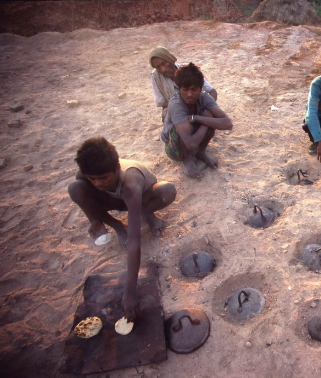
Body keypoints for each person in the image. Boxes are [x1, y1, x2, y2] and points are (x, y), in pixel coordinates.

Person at [68, 137, 177, 321]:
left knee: (168, 190)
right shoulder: (87, 177)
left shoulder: (130, 183)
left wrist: (130, 291)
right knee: (75, 189)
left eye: (103, 178)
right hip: (116, 200)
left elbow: (134, 241)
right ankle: (117, 225)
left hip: (142, 196)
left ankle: (146, 213)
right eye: (92, 178)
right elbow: (84, 189)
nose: (98, 183)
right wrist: (93, 219)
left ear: (117, 168)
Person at [162, 63, 233, 178]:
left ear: (201, 89)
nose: (189, 94)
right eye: (185, 90)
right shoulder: (176, 104)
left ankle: (201, 153)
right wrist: (206, 120)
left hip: (193, 137)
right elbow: (191, 144)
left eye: (194, 89)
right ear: (179, 89)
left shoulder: (204, 98)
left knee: (208, 118)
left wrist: (199, 118)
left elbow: (228, 124)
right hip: (174, 148)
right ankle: (187, 159)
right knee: (189, 124)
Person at [149, 46, 218, 121]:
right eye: (158, 67)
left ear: (169, 59)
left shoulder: (187, 69)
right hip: (176, 110)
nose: (163, 69)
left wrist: (206, 110)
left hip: (196, 108)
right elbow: (164, 104)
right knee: (166, 115)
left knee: (208, 115)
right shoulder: (155, 77)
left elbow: (212, 92)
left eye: (164, 63)